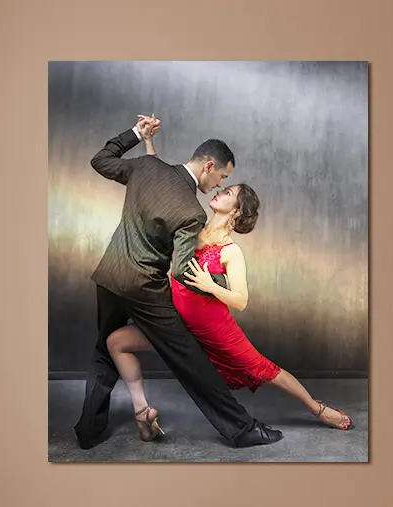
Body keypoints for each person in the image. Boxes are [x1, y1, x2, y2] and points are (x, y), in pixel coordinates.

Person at [107, 117, 352, 441]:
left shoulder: (229, 251)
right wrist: (150, 144)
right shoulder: (192, 225)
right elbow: (163, 186)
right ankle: (143, 415)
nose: (219, 189)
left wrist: (210, 286)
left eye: (229, 191)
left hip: (217, 331)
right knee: (117, 342)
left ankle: (317, 408)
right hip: (179, 326)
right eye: (223, 184)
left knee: (266, 370)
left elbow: (242, 300)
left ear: (235, 211)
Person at [73, 114, 283, 449]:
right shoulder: (191, 211)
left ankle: (88, 432)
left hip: (109, 277)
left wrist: (135, 134)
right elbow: (180, 270)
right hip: (144, 289)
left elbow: (100, 160)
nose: (218, 184)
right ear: (209, 165)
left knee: (103, 350)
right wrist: (214, 285)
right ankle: (242, 429)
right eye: (222, 178)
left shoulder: (145, 166)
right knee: (190, 359)